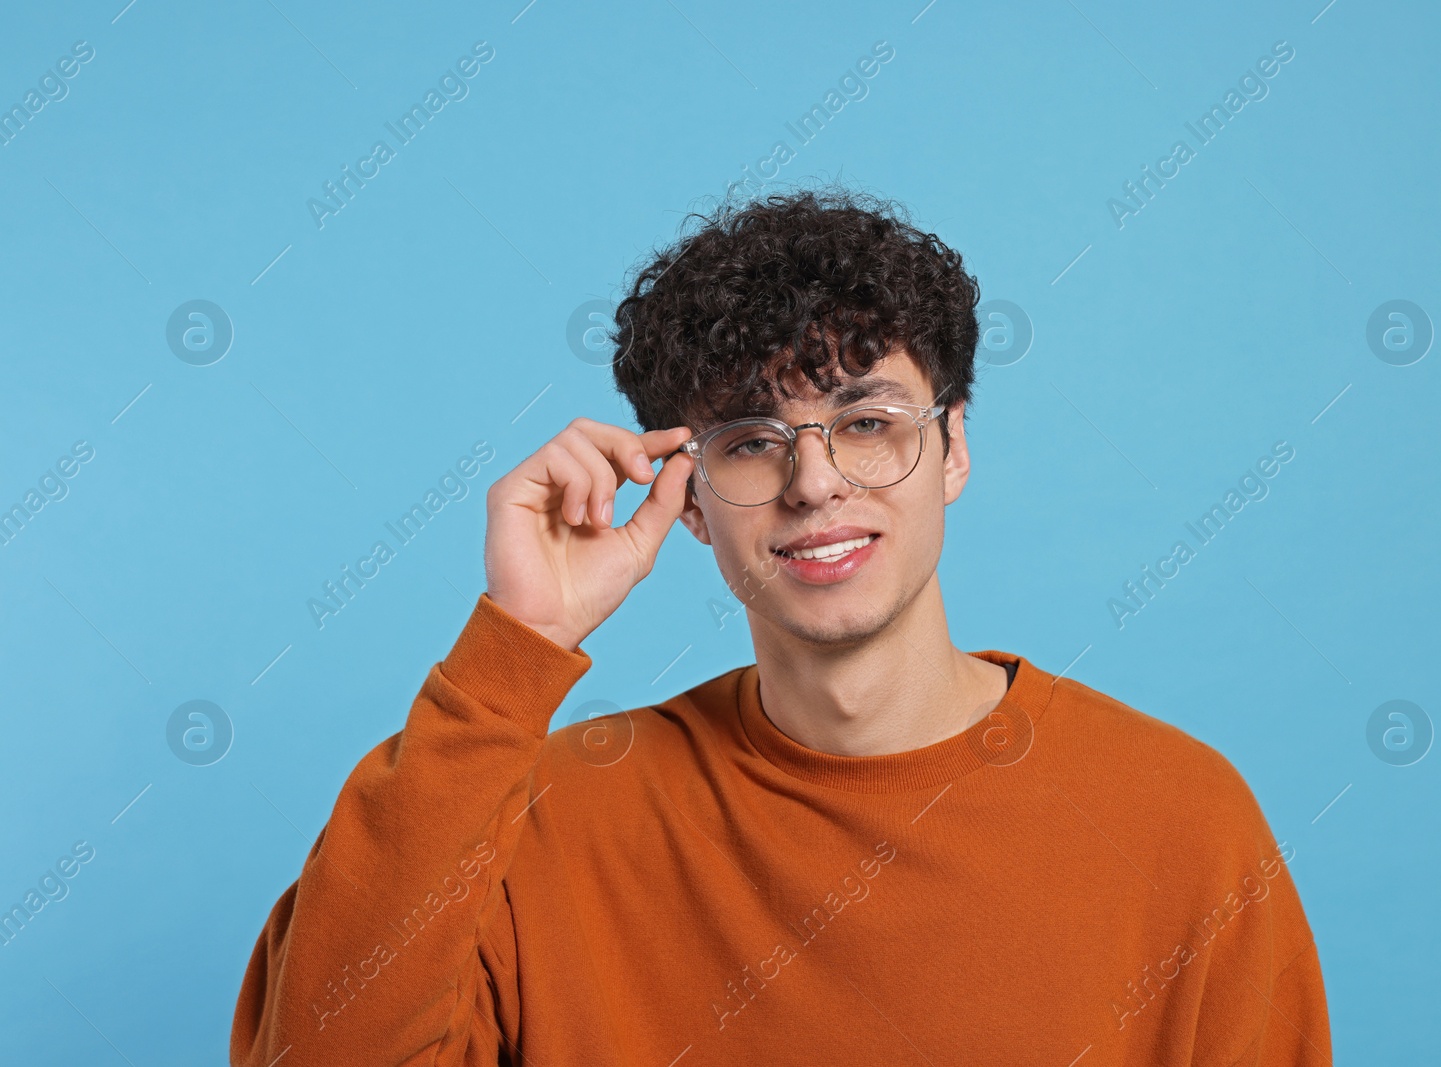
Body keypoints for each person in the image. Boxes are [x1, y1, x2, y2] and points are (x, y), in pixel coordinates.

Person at [229, 187, 1332, 1065]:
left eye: (866, 423)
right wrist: (514, 649)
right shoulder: (548, 819)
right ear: (690, 497)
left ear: (951, 450)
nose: (816, 483)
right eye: (753, 440)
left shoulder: (1181, 819)